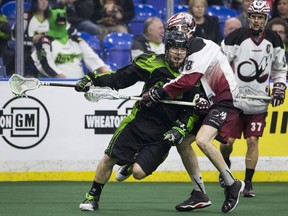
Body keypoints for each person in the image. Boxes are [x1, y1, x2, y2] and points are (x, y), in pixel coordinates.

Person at [74, 31, 212, 212]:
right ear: (167, 48)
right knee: (109, 158)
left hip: (164, 133)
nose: (178, 53)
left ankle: (130, 165)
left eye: (182, 49)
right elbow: (119, 78)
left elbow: (192, 110)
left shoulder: (192, 73)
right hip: (138, 123)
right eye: (174, 48)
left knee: (138, 173)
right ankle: (92, 197)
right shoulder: (152, 62)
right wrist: (92, 79)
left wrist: (180, 130)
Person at [140, 11, 245, 213]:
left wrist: (158, 92)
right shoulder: (191, 48)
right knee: (183, 141)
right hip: (212, 100)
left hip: (225, 99)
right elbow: (192, 81)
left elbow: (187, 80)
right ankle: (199, 194)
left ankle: (232, 184)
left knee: (203, 141)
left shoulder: (199, 47)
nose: (170, 35)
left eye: (173, 30)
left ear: (186, 30)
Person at [219, 0, 287, 197]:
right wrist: (224, 86)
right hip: (235, 101)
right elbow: (219, 63)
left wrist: (280, 86)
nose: (256, 21)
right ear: (248, 17)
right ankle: (226, 165)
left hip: (258, 102)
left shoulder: (274, 40)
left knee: (252, 141)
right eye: (253, 16)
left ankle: (248, 183)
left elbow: (280, 69)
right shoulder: (235, 37)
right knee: (227, 143)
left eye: (260, 17)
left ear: (266, 19)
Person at [31, 6, 109, 78]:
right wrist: (65, 80)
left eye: (62, 19)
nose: (61, 21)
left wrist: (108, 74)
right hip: (55, 85)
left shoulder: (76, 40)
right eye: (58, 19)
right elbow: (45, 65)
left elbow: (93, 59)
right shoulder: (44, 42)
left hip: (79, 85)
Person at [12, 0, 50, 77]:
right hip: (31, 52)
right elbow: (14, 36)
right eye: (41, 0)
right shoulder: (26, 16)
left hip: (51, 50)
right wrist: (31, 39)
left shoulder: (51, 16)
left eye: (46, 0)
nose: (44, 2)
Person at [0, 0, 15, 76]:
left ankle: (9, 77)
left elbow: (8, 36)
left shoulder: (3, 17)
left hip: (2, 43)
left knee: (11, 55)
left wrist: (4, 27)